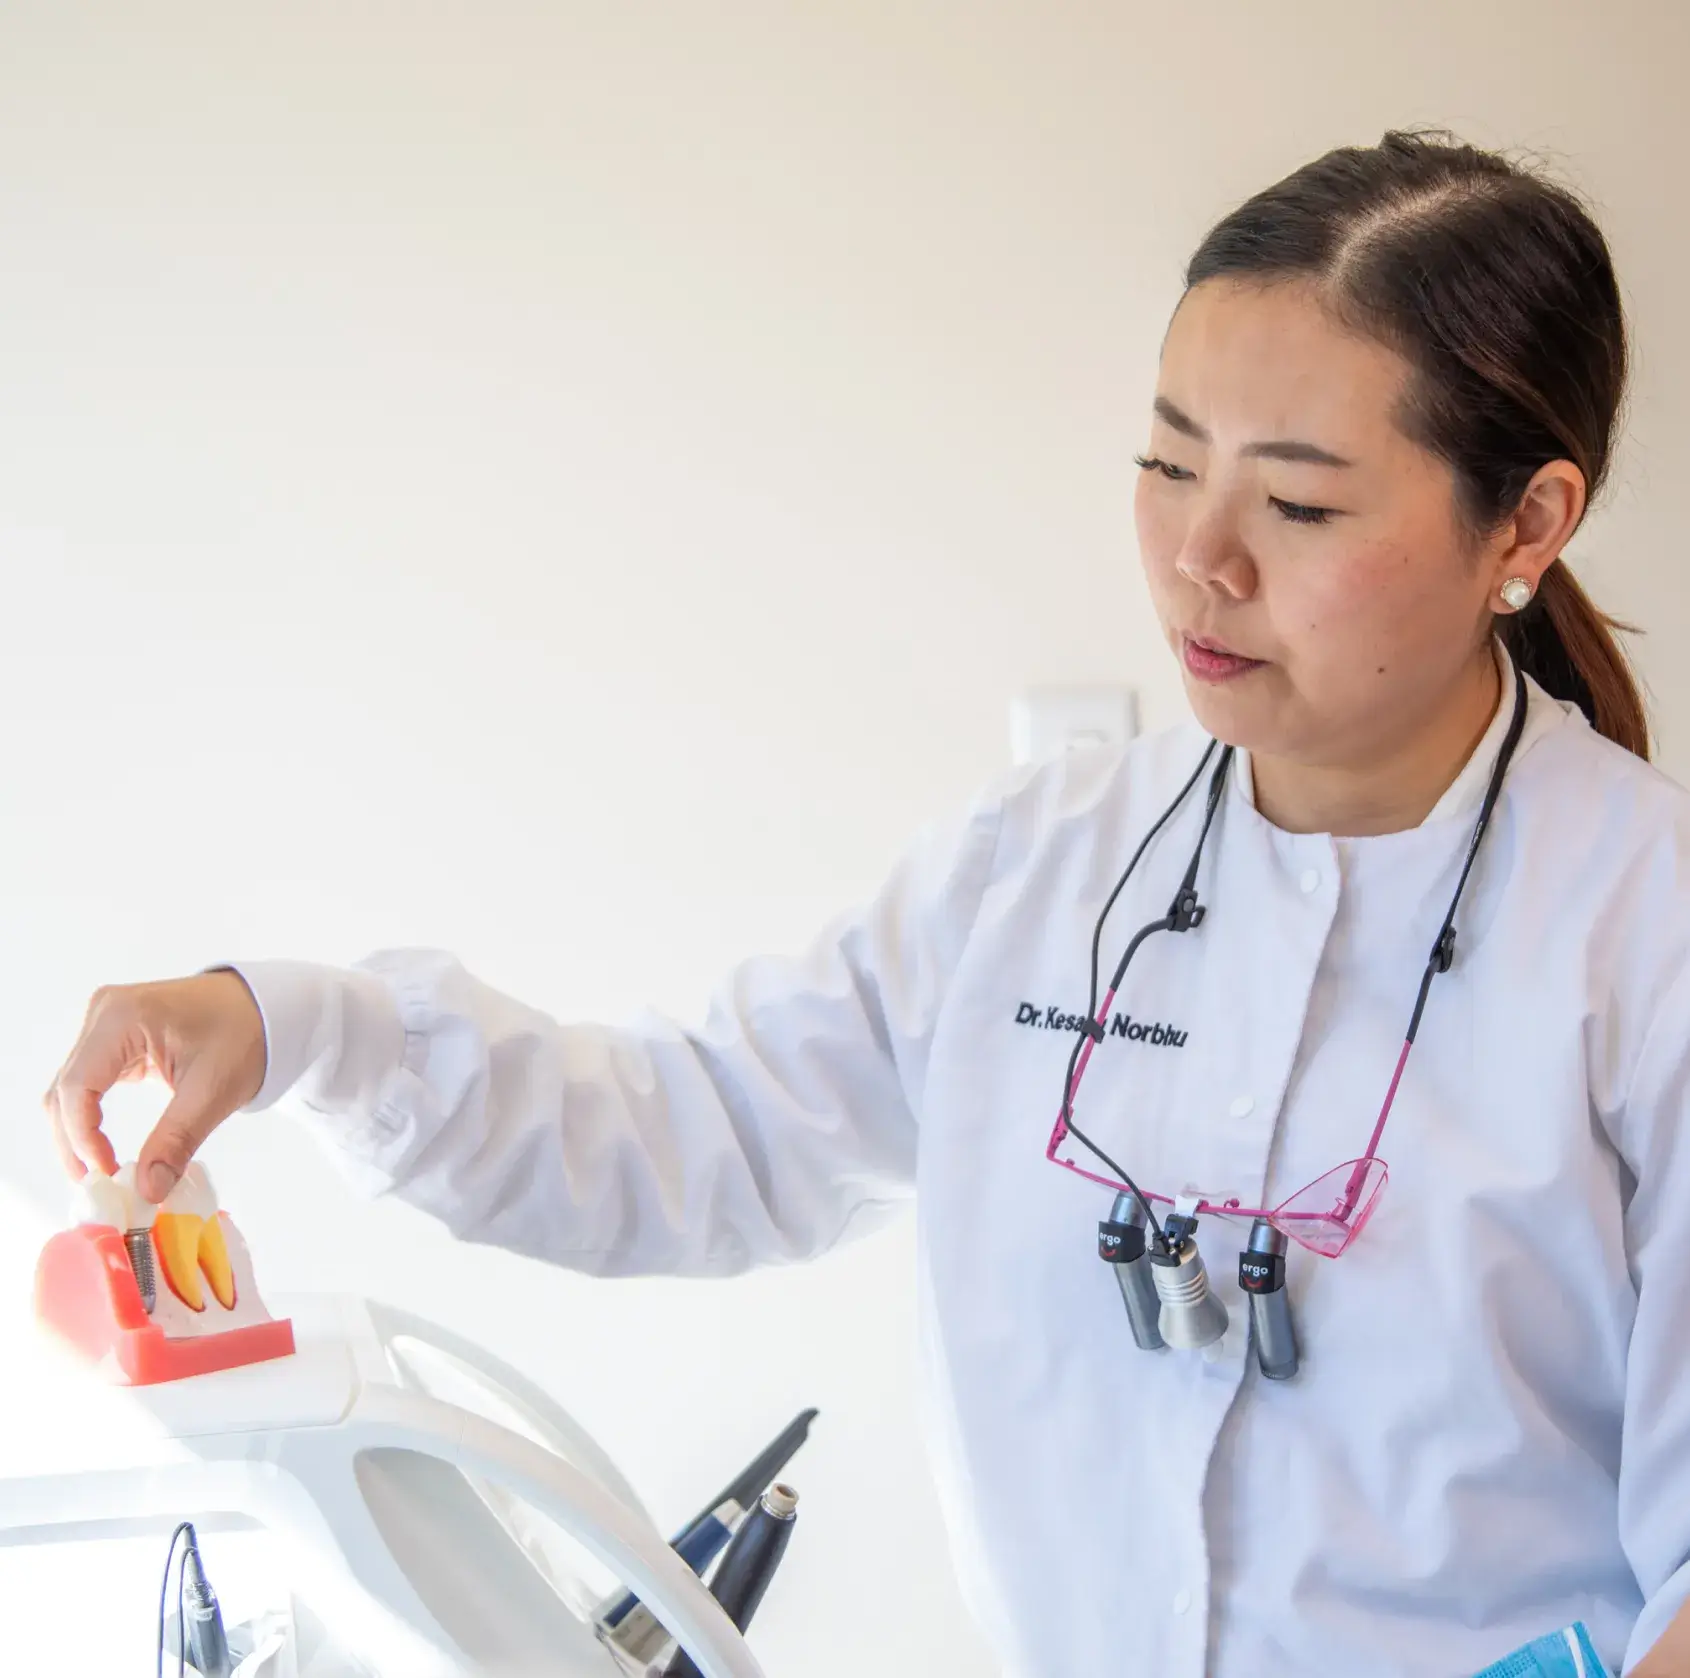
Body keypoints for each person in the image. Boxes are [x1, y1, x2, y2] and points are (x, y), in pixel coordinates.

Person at [41, 130, 1690, 1677]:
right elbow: (691, 1136)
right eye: (1165, 461)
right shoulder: (1042, 868)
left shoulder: (1643, 928)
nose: (1200, 556)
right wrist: (292, 1024)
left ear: (1524, 525)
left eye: (1299, 503)